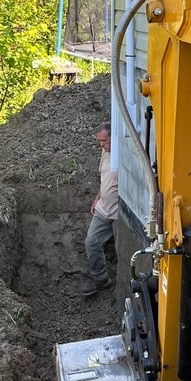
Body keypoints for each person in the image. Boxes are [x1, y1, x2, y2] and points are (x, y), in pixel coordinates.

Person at [81, 122, 118, 296]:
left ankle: (125, 287)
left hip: (121, 216)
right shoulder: (105, 152)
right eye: (100, 142)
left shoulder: (126, 154)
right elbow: (104, 180)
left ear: (114, 137)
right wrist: (97, 199)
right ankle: (102, 281)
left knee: (123, 252)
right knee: (91, 243)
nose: (101, 145)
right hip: (103, 210)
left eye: (104, 141)